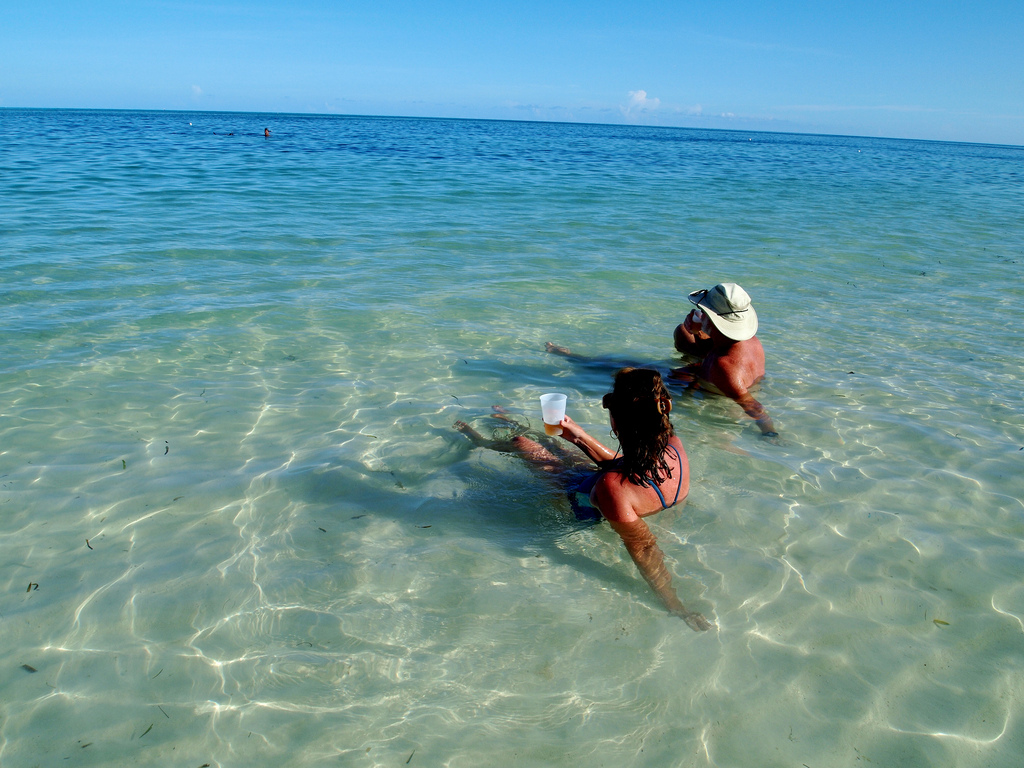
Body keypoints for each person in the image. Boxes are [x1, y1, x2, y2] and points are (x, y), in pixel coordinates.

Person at [455, 368, 712, 631]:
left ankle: (481, 442)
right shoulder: (672, 445)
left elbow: (645, 550)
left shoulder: (613, 486)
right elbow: (627, 465)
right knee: (556, 442)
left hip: (577, 503)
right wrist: (578, 435)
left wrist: (674, 605)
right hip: (612, 491)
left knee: (522, 442)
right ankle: (514, 426)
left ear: (615, 420)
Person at [672, 282, 777, 437]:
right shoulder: (749, 340)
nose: (699, 314)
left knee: (651, 378)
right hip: (729, 380)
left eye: (703, 313)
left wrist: (769, 432)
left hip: (719, 399)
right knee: (683, 332)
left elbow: (751, 405)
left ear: (713, 320)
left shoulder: (723, 365)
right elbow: (715, 349)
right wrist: (696, 331)